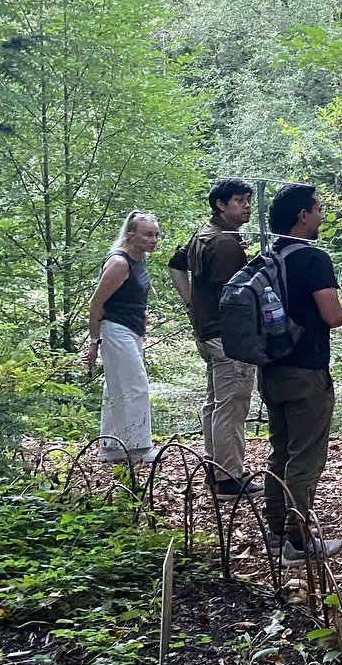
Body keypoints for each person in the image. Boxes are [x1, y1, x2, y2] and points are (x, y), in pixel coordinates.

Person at [260, 184, 342, 564]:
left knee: (279, 451)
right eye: (318, 208)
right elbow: (332, 315)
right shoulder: (313, 259)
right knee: (305, 458)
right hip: (306, 371)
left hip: (270, 368)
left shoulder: (267, 257)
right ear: (302, 216)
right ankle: (298, 543)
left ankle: (276, 532)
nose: (321, 215)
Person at [168, 178, 261, 496]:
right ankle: (229, 478)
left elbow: (176, 264)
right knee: (231, 406)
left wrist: (192, 304)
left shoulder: (207, 233)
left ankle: (217, 469)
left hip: (209, 333)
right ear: (221, 205)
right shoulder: (222, 243)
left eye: (248, 199)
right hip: (226, 337)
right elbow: (234, 297)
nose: (247, 206)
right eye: (239, 200)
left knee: (217, 404)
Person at [84, 211, 162, 464]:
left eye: (156, 235)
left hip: (132, 328)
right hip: (116, 330)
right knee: (136, 385)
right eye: (147, 234)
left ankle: (111, 446)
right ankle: (139, 447)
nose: (153, 240)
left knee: (116, 387)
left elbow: (129, 296)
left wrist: (141, 313)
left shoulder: (139, 259)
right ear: (130, 234)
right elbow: (96, 304)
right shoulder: (119, 263)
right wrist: (94, 342)